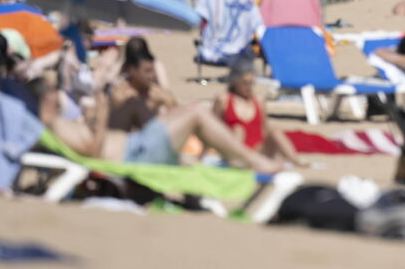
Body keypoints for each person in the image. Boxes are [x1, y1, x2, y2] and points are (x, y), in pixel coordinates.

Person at [36, 77, 281, 174]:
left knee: (190, 109)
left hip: (137, 145)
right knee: (196, 112)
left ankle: (240, 157)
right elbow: (92, 149)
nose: (56, 94)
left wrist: (95, 114)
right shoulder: (55, 125)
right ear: (45, 101)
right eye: (52, 91)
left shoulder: (57, 124)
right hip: (136, 153)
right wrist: (102, 111)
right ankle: (251, 160)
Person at [212, 59, 304, 168]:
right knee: (238, 129)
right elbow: (213, 127)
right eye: (245, 83)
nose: (249, 86)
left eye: (251, 82)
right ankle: (238, 161)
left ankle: (296, 160)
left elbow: (264, 129)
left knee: (276, 131)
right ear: (234, 81)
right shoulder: (224, 100)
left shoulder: (259, 101)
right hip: (233, 150)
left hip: (257, 150)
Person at [107, 37, 177, 132]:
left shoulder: (156, 92)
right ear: (132, 70)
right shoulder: (121, 93)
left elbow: (177, 113)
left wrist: (168, 100)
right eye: (147, 72)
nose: (152, 76)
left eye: (153, 71)